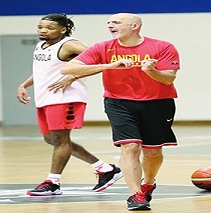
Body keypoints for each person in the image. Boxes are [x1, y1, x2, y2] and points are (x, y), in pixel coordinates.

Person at [60, 13, 180, 210]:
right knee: (130, 146)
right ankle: (136, 195)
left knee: (152, 152)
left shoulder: (163, 47)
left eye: (116, 22)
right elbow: (68, 69)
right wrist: (109, 65)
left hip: (158, 103)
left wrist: (151, 71)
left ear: (135, 26)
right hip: (119, 103)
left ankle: (148, 183)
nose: (110, 25)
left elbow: (168, 78)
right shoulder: (102, 48)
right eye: (108, 22)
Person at [16, 13, 122, 196]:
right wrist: (24, 85)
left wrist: (72, 76)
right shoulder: (41, 45)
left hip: (65, 97)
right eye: (40, 27)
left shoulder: (70, 44)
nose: (43, 30)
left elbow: (99, 58)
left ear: (62, 30)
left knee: (60, 140)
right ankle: (105, 169)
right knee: (50, 139)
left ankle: (53, 182)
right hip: (45, 97)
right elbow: (42, 72)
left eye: (49, 28)